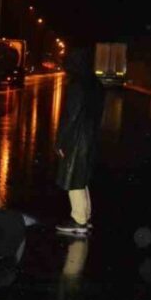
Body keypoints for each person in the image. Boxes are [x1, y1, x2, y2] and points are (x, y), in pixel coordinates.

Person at [55, 48, 104, 236]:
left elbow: (71, 116)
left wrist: (61, 141)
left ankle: (79, 220)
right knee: (81, 178)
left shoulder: (77, 84)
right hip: (90, 137)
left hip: (77, 139)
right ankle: (85, 216)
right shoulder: (96, 84)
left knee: (73, 179)